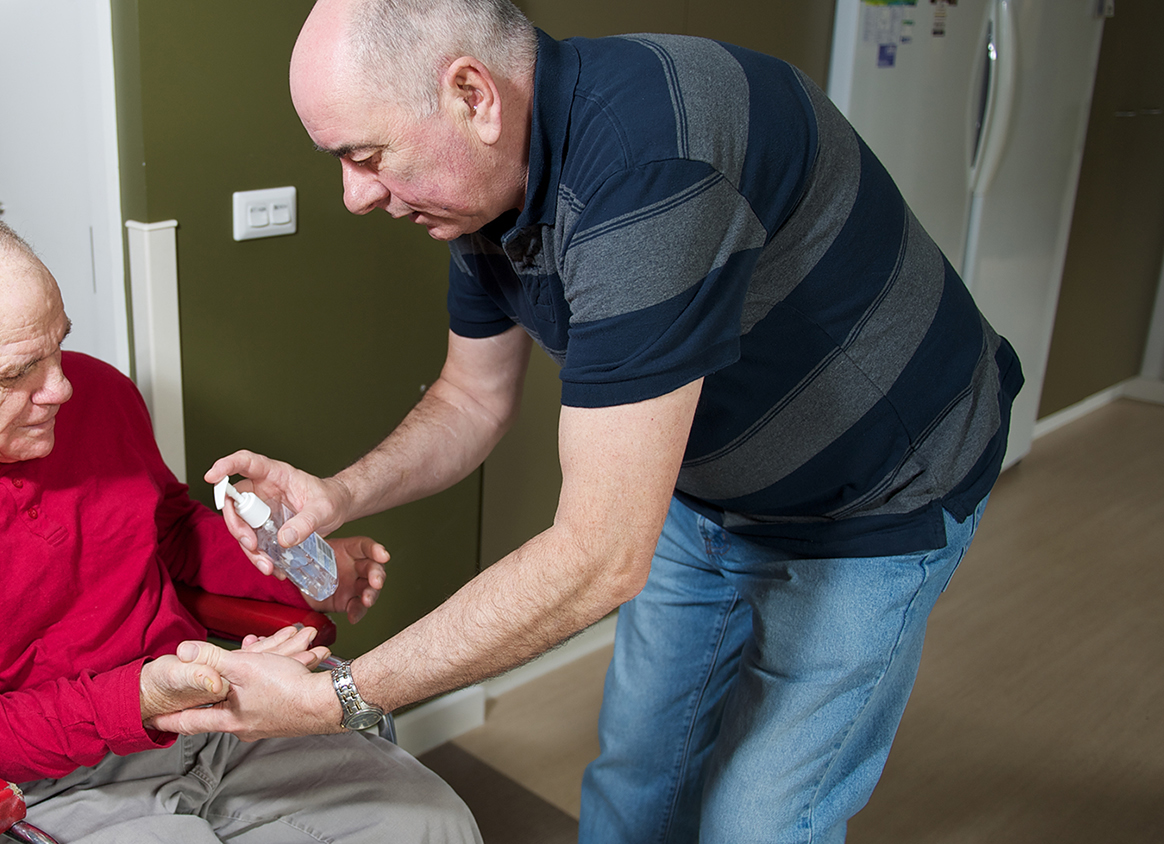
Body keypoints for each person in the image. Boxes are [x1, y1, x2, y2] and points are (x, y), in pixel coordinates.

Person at [154, 1, 1025, 842]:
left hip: (876, 494)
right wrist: (336, 495)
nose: (354, 195)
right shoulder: (484, 192)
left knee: (758, 821)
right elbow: (471, 398)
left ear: (472, 95)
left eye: (368, 154)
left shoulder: (650, 168)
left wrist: (333, 698)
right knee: (640, 775)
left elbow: (601, 555)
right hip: (700, 489)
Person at [0, 202, 481, 844]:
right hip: (25, 788)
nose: (62, 386)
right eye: (20, 372)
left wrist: (302, 571)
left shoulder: (99, 397)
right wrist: (145, 696)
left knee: (434, 824)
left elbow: (167, 532)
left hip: (205, 722)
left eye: (59, 344)